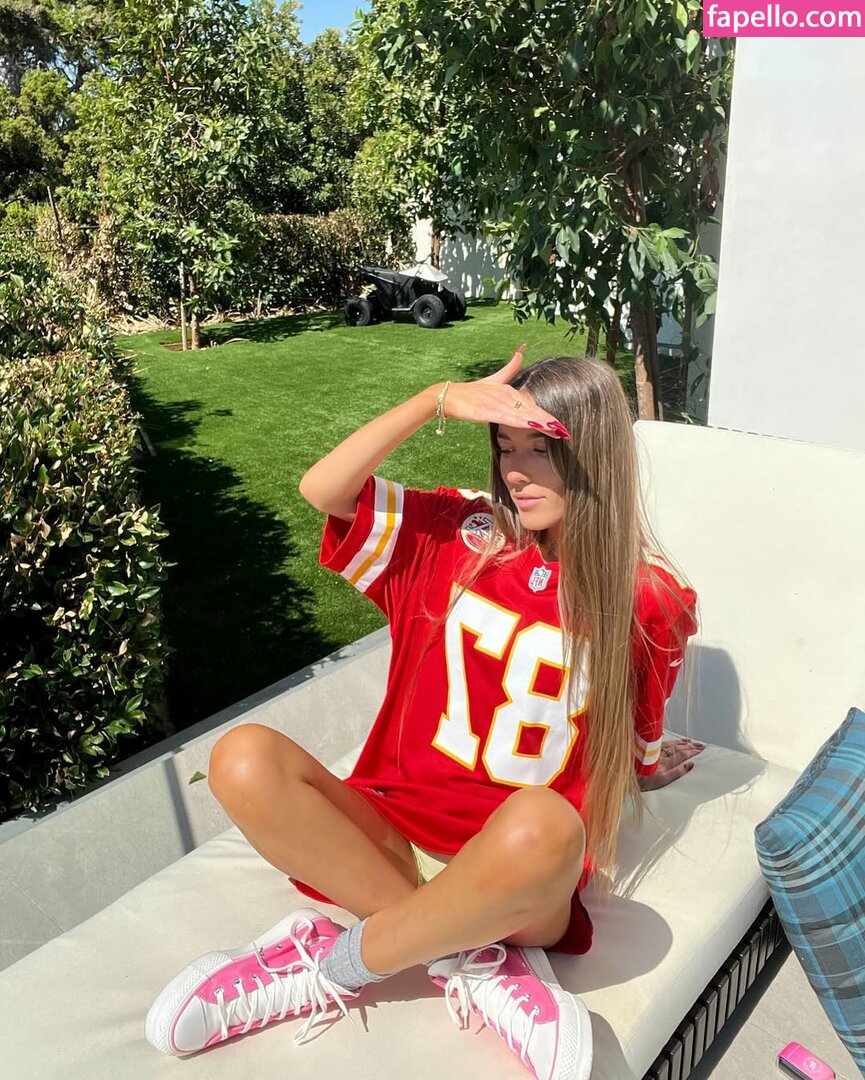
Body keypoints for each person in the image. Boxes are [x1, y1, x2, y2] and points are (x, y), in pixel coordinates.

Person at [145, 349, 702, 1080]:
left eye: (541, 450)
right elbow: (323, 490)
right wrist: (433, 399)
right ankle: (472, 958)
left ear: (596, 456)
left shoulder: (648, 598)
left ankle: (335, 965)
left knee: (545, 823)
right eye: (505, 447)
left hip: (519, 875)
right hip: (394, 836)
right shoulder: (459, 533)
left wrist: (650, 768)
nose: (514, 472)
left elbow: (634, 738)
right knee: (241, 756)